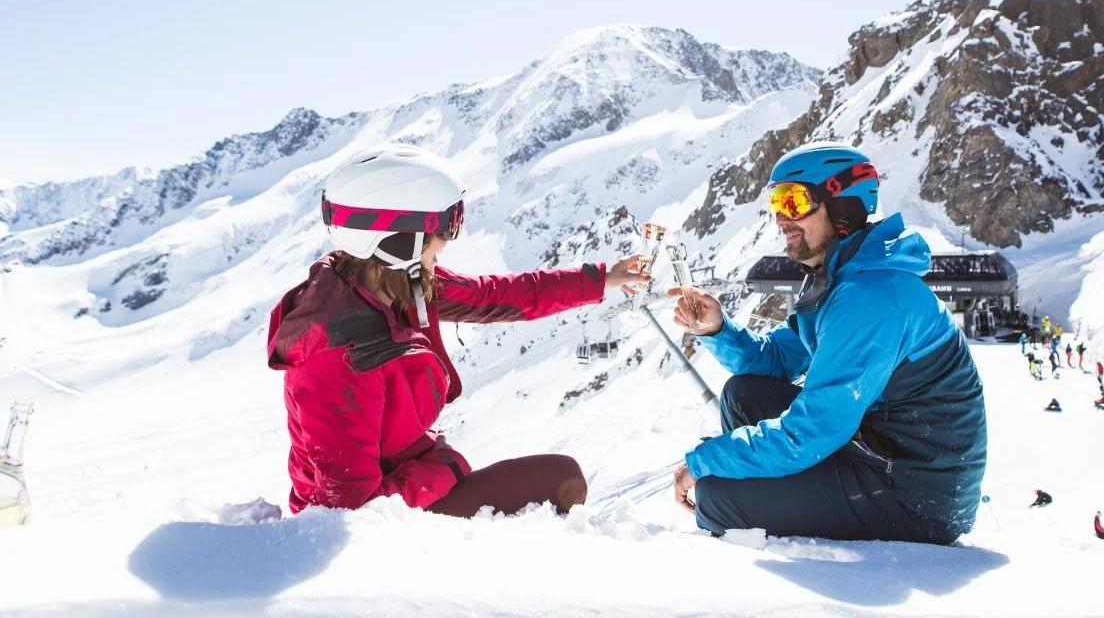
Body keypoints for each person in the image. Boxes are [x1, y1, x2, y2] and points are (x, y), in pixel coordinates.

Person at [267, 144, 649, 517]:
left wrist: (602, 279)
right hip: (379, 524)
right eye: (443, 226)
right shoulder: (336, 357)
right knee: (561, 480)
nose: (448, 240)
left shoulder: (394, 284)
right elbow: (348, 509)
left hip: (409, 480)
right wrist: (443, 469)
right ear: (398, 239)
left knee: (558, 477)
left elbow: (494, 295)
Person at [668, 142, 987, 544]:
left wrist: (706, 461)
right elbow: (775, 359)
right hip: (880, 451)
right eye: (776, 203)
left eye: (794, 200)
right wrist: (718, 329)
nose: (781, 218)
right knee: (744, 394)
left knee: (718, 497)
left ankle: (765, 525)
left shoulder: (869, 298)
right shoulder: (843, 278)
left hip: (919, 498)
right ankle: (771, 502)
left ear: (841, 206)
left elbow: (811, 431)